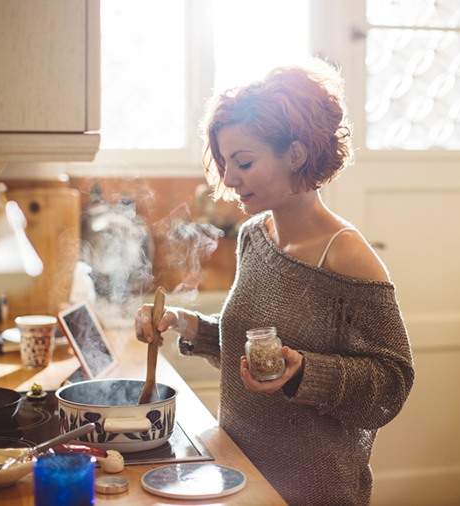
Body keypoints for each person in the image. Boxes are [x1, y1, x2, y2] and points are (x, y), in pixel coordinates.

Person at [135, 60, 414, 505]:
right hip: (239, 470)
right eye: (225, 162)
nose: (228, 178)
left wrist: (303, 371)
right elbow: (253, 349)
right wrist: (185, 324)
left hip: (313, 490)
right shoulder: (254, 237)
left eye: (243, 161)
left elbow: (391, 384)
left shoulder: (346, 256)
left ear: (297, 154)